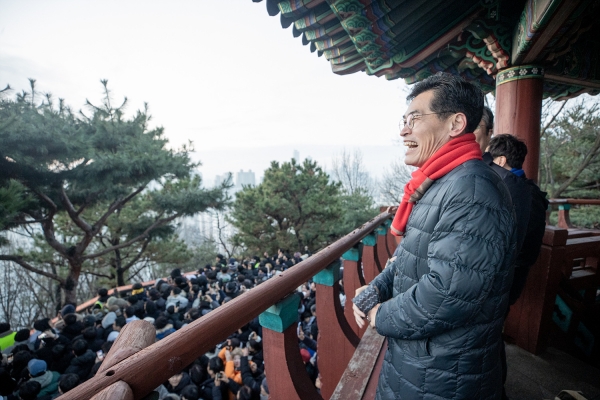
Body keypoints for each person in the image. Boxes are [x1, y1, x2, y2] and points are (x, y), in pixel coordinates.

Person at [353, 72, 516, 400]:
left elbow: (446, 296)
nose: (403, 129)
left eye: (414, 118)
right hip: (421, 364)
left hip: (444, 376)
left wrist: (379, 314)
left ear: (455, 124)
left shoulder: (471, 191)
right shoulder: (442, 182)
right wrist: (378, 287)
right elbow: (410, 256)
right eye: (404, 119)